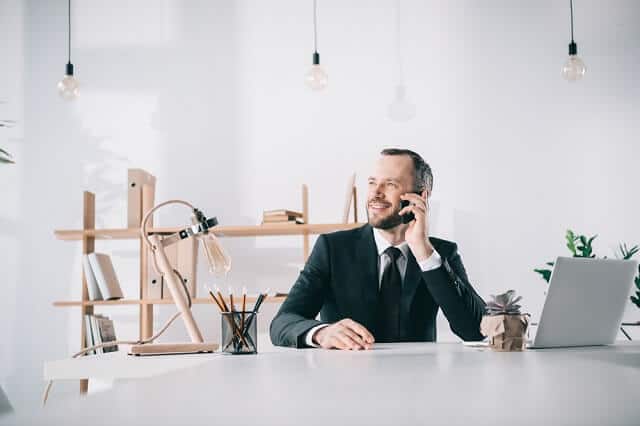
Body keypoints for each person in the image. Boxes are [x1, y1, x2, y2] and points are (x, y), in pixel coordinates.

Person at [270, 148, 486, 350]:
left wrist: (424, 252)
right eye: (373, 183)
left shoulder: (439, 253)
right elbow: (282, 322)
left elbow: (476, 331)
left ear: (421, 196)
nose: (376, 193)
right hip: (346, 380)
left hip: (418, 381)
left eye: (390, 184)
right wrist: (321, 333)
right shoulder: (332, 248)